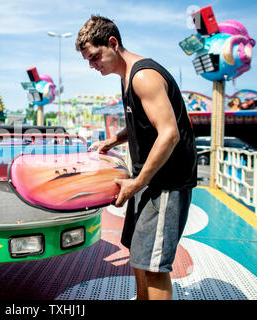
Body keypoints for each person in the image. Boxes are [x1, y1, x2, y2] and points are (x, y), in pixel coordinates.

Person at [75, 15, 197, 300]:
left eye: (94, 57)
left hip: (165, 183)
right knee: (139, 254)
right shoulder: (125, 76)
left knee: (154, 267)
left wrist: (137, 182)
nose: (92, 66)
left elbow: (169, 134)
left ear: (113, 43)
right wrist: (112, 140)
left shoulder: (143, 76)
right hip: (147, 180)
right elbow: (141, 123)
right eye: (87, 61)